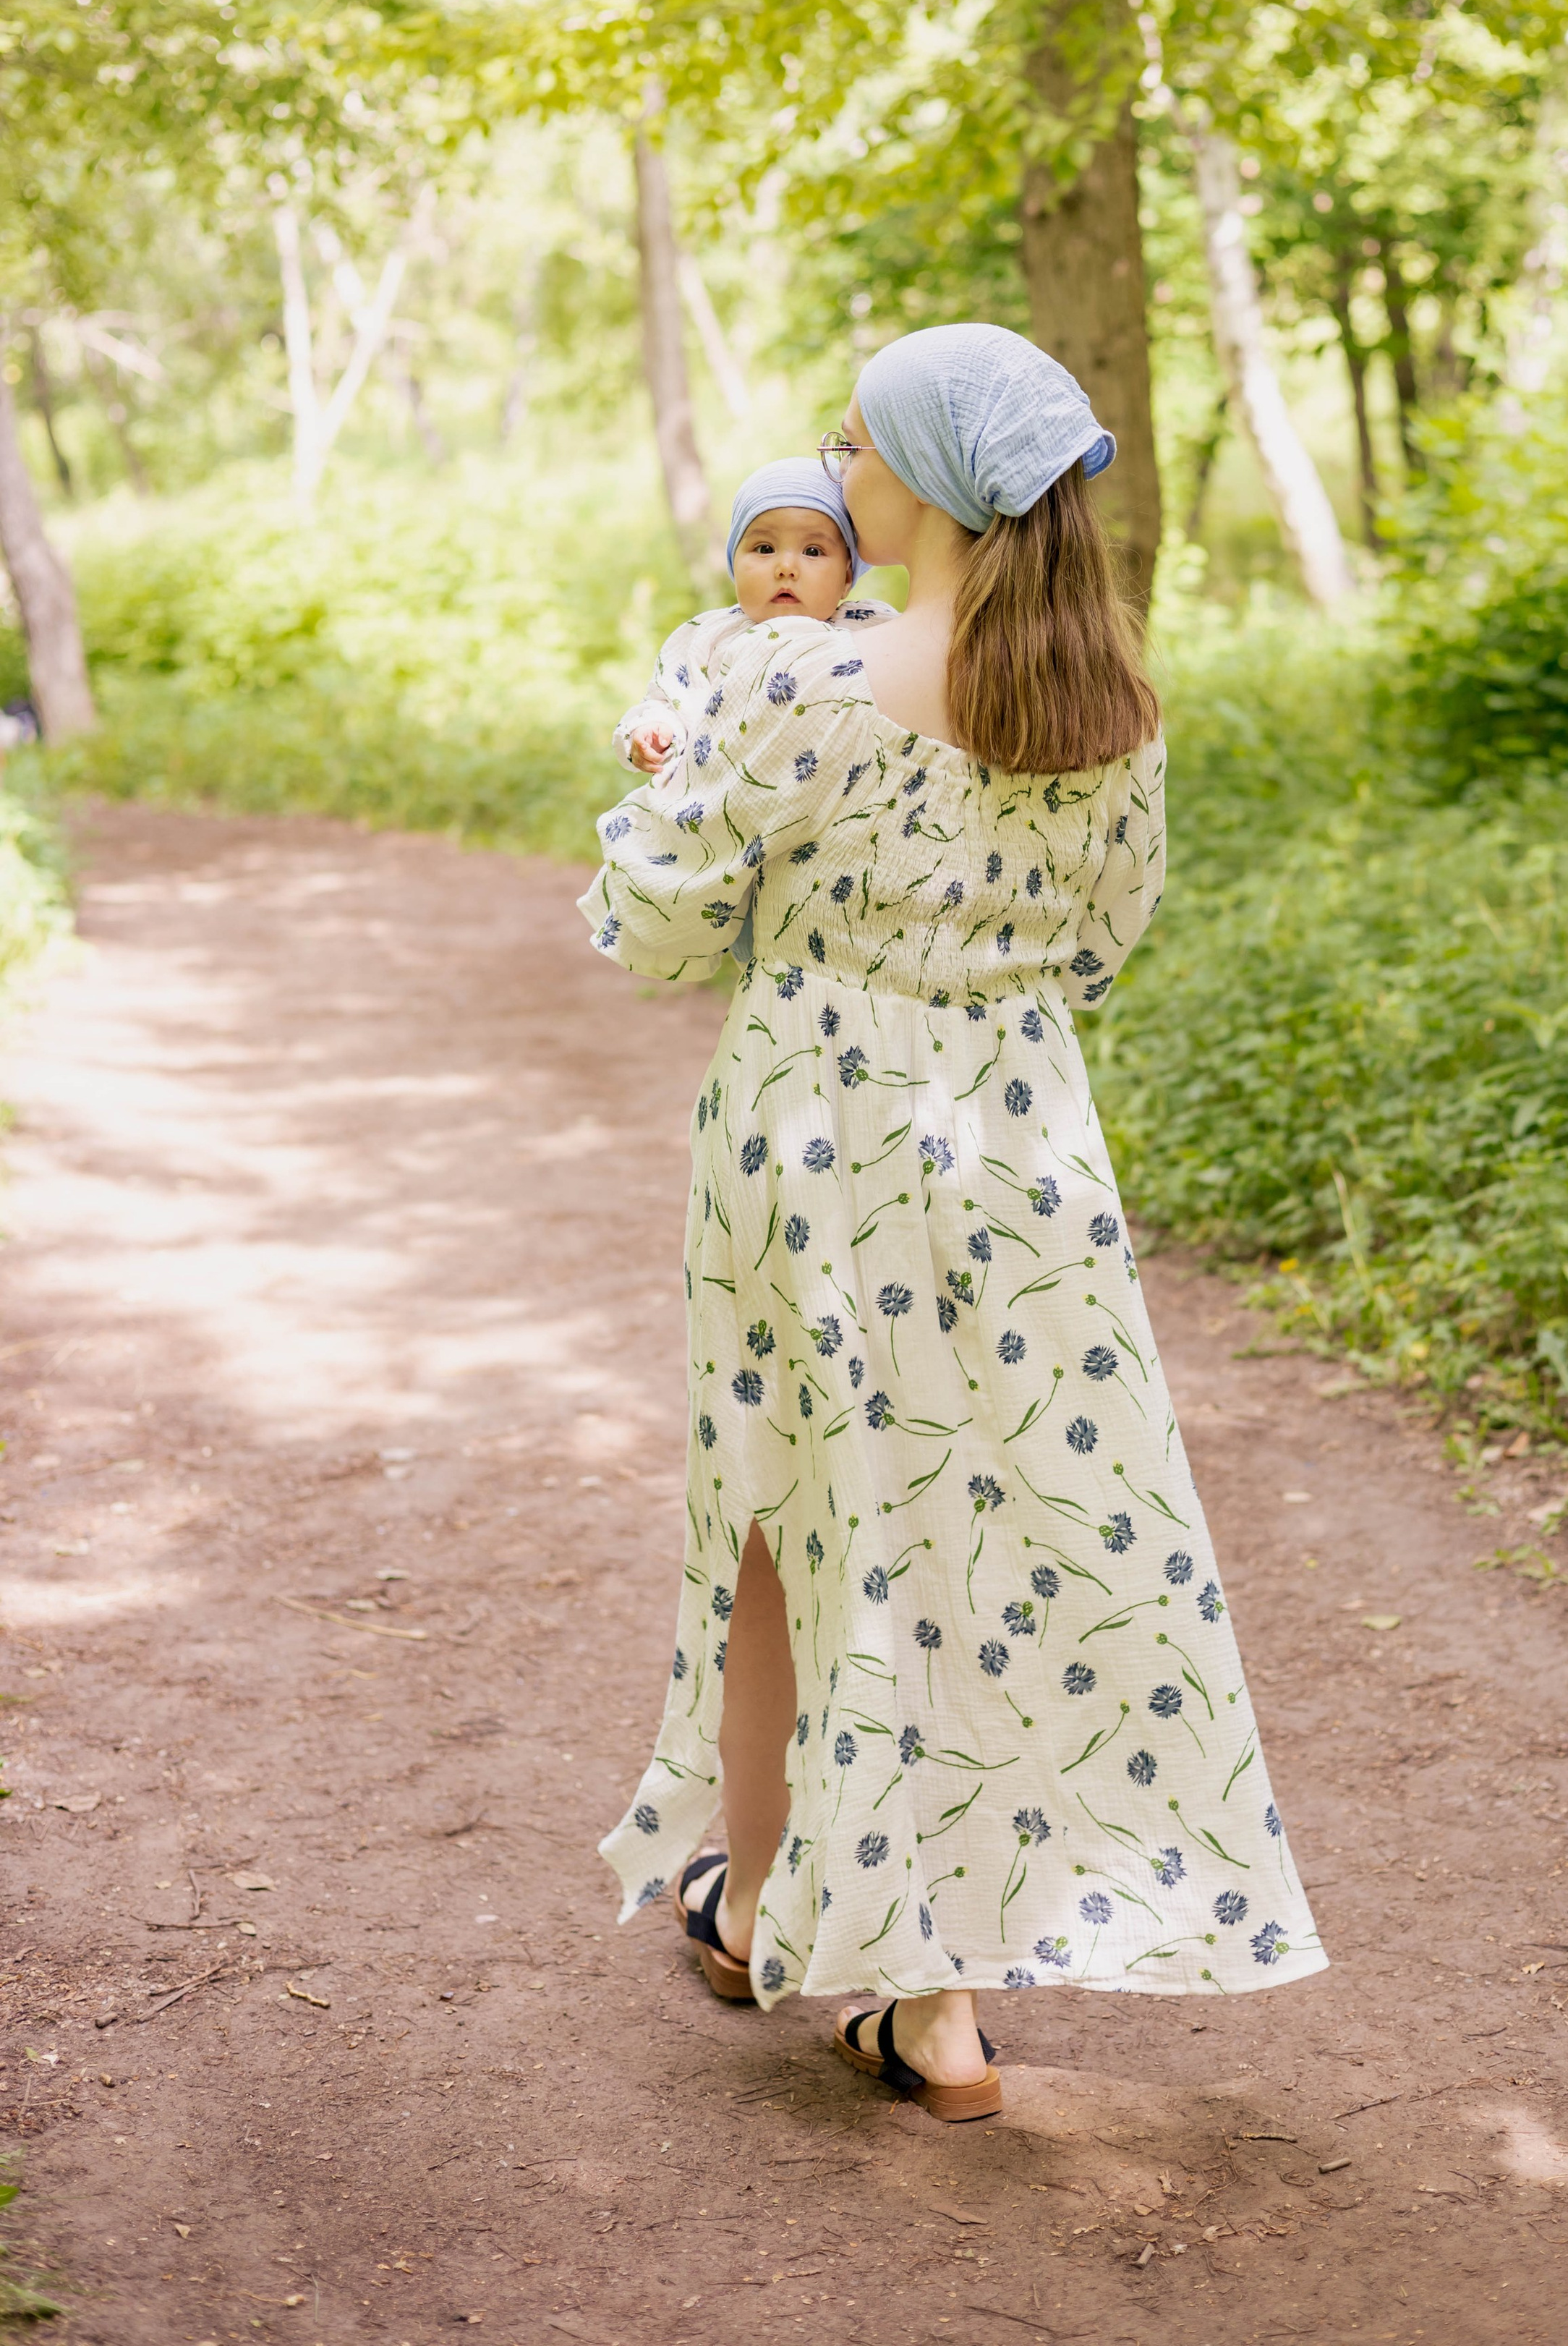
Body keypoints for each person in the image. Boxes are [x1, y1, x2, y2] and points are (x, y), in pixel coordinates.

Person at [581, 321, 1323, 2125]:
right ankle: (938, 2007)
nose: (832, 464)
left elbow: (657, 928)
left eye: (856, 438)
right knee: (981, 1525)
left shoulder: (792, 688)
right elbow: (1097, 937)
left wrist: (655, 774)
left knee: (787, 1506)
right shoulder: (1102, 709)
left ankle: (761, 1905)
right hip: (1015, 1146)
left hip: (811, 1134)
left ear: (923, 480)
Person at [616, 456, 892, 776]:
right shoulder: (708, 637)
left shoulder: (869, 627)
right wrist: (655, 730)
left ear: (847, 577)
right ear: (734, 563)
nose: (786, 568)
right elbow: (668, 702)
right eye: (764, 549)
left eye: (813, 551)